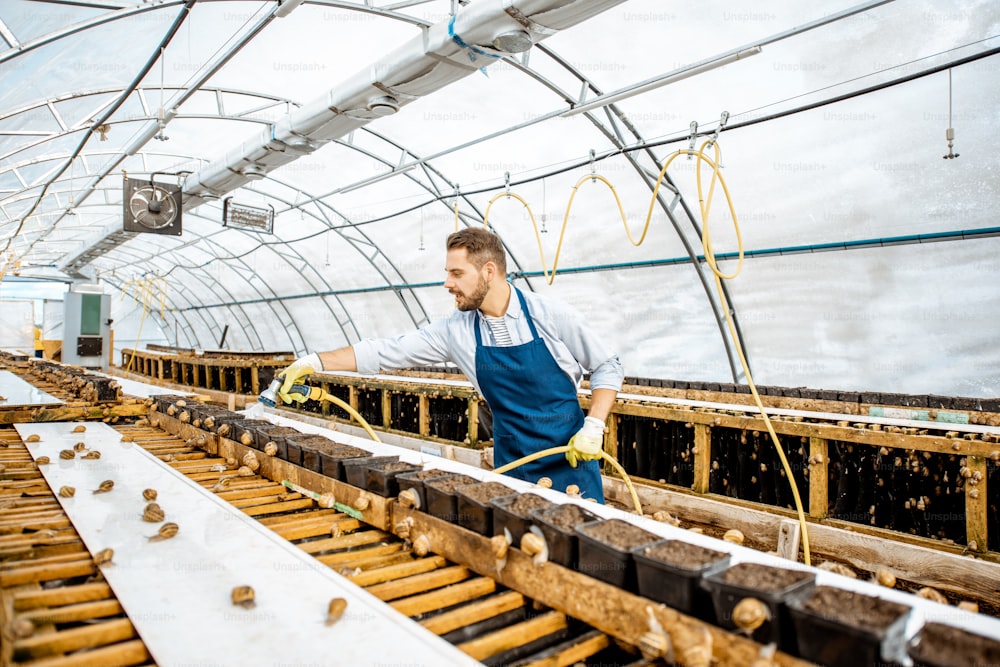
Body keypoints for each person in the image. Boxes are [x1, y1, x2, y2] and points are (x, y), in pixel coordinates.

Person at [277, 227, 623, 503]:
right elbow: (386, 352)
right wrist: (315, 360)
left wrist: (593, 427)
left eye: (457, 273)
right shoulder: (456, 331)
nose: (447, 284)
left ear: (489, 271)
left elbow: (607, 365)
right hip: (512, 463)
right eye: (448, 273)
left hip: (571, 459)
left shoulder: (550, 316)